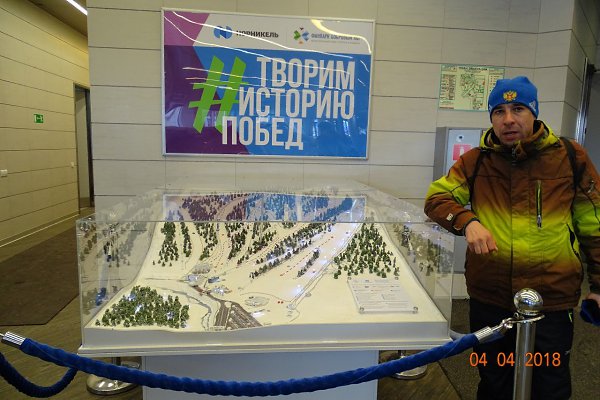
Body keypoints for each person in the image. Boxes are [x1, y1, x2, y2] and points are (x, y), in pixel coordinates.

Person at [424, 76, 600, 400]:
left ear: (534, 112)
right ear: (491, 118)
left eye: (518, 109)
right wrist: (467, 221)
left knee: (550, 385)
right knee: (494, 381)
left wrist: (599, 286)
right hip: (491, 297)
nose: (508, 119)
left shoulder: (570, 157)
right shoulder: (475, 161)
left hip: (552, 298)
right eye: (499, 111)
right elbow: (437, 199)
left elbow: (593, 225)